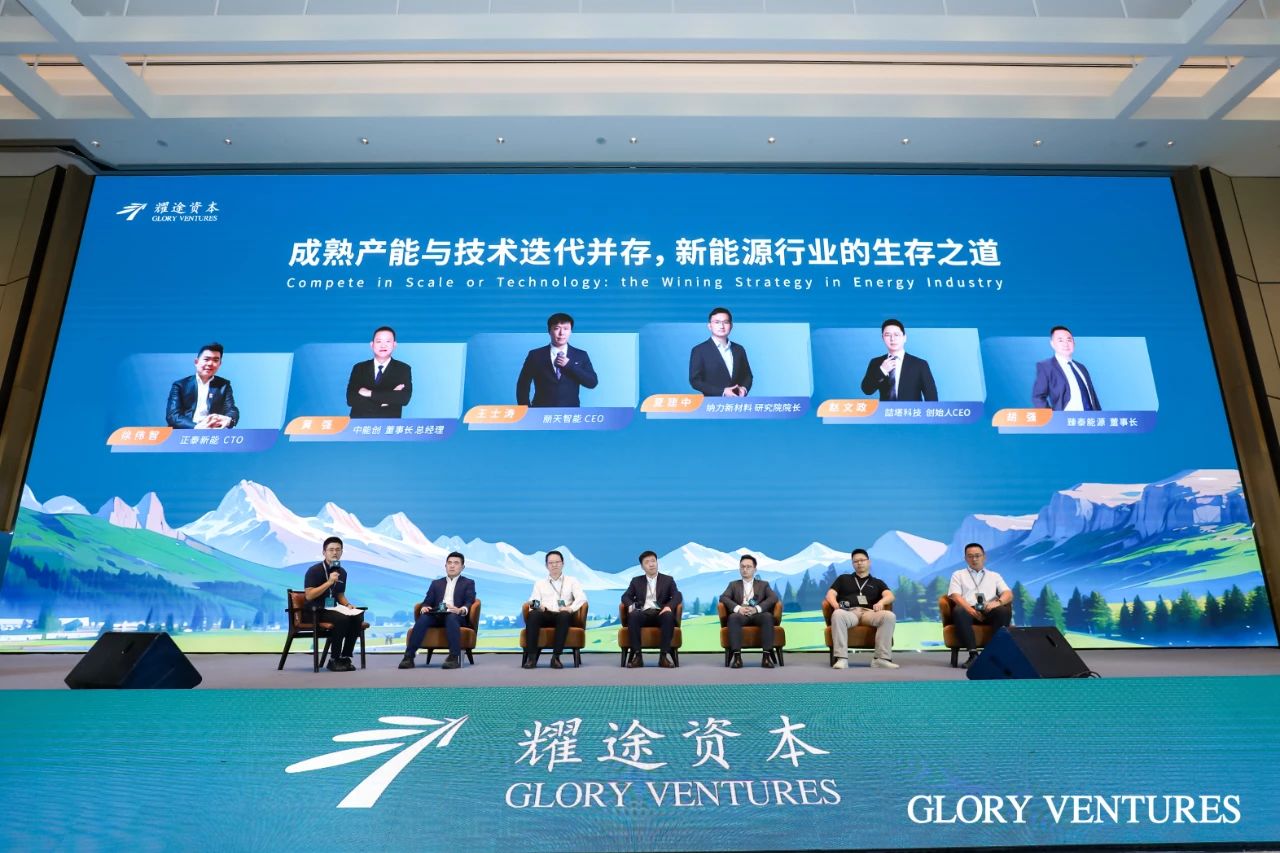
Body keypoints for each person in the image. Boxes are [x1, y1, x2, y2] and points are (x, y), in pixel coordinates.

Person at [399, 551, 475, 670]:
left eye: (456, 563)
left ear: (462, 567)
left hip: (455, 615)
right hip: (437, 614)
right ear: (445, 566)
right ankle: (408, 657)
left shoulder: (468, 583)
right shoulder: (436, 583)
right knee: (423, 618)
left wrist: (461, 609)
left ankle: (453, 658)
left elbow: (469, 601)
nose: (452, 566)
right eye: (449, 563)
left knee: (451, 617)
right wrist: (424, 607)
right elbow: (427, 601)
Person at [825, 549, 899, 669]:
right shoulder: (843, 579)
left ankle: (881, 659)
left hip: (869, 613)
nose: (859, 563)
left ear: (868, 562)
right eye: (856, 561)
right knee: (838, 614)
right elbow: (830, 594)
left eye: (862, 560)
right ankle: (842, 659)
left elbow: (890, 596)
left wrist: (881, 602)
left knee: (889, 616)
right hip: (849, 613)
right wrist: (836, 605)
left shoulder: (877, 582)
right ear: (852, 564)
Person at [302, 537, 363, 672]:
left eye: (338, 550)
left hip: (332, 608)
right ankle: (334, 659)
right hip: (315, 610)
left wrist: (348, 605)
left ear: (341, 552)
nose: (334, 552)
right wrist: (329, 582)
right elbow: (309, 595)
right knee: (342, 619)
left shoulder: (342, 572)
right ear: (324, 552)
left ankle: (345, 656)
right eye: (331, 550)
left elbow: (340, 595)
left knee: (358, 616)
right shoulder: (314, 570)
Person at [947, 542, 1013, 669]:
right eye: (970, 556)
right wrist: (972, 611)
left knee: (1003, 611)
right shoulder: (958, 574)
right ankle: (973, 655)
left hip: (989, 609)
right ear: (965, 558)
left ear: (984, 557)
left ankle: (994, 655)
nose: (974, 559)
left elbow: (1008, 594)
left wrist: (997, 603)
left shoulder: (994, 576)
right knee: (959, 611)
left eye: (977, 555)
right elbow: (955, 596)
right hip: (968, 609)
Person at [516, 312, 599, 407]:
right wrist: (526, 410)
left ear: (571, 331)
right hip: (541, 411)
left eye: (566, 329)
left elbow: (592, 383)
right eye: (557, 328)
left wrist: (570, 365)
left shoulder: (581, 355)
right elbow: (523, 384)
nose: (561, 333)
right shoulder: (535, 355)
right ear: (549, 331)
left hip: (570, 412)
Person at [523, 549, 588, 669]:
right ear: (546, 566)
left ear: (563, 563)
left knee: (564, 615)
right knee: (533, 615)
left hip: (563, 614)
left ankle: (556, 657)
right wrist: (538, 606)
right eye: (551, 563)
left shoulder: (572, 581)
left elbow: (582, 598)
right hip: (545, 613)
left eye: (557, 562)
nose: (554, 565)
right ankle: (531, 658)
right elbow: (533, 601)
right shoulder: (539, 583)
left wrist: (570, 608)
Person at [620, 550, 680, 668]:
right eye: (647, 562)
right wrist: (632, 606)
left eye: (653, 561)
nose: (651, 564)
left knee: (668, 616)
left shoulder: (668, 580)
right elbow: (625, 596)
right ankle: (638, 657)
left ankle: (663, 657)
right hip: (643, 613)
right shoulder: (636, 581)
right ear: (642, 567)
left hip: (660, 613)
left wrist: (669, 607)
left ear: (657, 563)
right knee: (633, 615)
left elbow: (677, 595)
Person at [718, 553, 778, 669]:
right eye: (742, 567)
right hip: (741, 615)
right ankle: (737, 658)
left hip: (757, 614)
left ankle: (766, 658)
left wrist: (757, 609)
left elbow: (773, 598)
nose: (745, 569)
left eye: (748, 567)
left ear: (755, 569)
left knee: (767, 617)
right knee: (733, 617)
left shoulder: (763, 585)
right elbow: (723, 597)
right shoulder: (733, 585)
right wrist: (738, 609)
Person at [859, 319, 937, 402]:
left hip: (911, 410)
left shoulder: (920, 364)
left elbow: (932, 398)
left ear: (904, 338)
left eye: (896, 335)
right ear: (883, 338)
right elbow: (867, 390)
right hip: (885, 410)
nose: (892, 339)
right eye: (887, 335)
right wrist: (882, 370)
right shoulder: (876, 362)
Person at [166, 342, 240, 428]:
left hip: (212, 431)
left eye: (215, 360)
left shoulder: (224, 385)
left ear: (220, 364)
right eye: (206, 359)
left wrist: (228, 419)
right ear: (196, 362)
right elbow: (173, 415)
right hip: (186, 431)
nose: (210, 363)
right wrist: (196, 426)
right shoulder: (180, 385)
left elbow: (231, 409)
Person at [346, 326, 413, 418]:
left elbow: (403, 399)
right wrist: (388, 398)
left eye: (388, 341)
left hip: (388, 423)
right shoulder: (359, 368)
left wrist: (369, 393)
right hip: (359, 423)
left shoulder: (403, 369)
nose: (383, 345)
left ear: (394, 344)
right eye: (379, 341)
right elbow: (351, 399)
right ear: (372, 345)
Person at [1031, 325, 1101, 411]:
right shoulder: (1046, 367)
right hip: (1066, 417)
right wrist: (1053, 417)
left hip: (1091, 417)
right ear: (1052, 344)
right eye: (1060, 340)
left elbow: (1093, 397)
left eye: (1069, 340)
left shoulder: (1081, 368)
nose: (1066, 344)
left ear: (1074, 343)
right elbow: (1038, 397)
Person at [689, 307, 753, 397]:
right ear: (709, 326)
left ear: (731, 325)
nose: (722, 326)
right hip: (713, 402)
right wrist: (722, 391)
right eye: (717, 322)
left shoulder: (739, 349)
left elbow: (747, 375)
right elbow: (695, 381)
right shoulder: (699, 350)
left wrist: (744, 388)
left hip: (738, 401)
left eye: (725, 322)